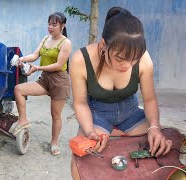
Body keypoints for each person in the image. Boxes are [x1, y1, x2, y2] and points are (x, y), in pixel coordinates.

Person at [69, 7, 172, 179]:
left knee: (165, 145)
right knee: (80, 165)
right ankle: (106, 134)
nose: (127, 65)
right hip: (97, 116)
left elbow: (150, 99)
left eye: (134, 59)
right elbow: (80, 103)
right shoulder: (81, 59)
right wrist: (89, 132)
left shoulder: (144, 59)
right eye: (120, 58)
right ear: (103, 45)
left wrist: (154, 127)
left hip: (131, 113)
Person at [12, 12, 72, 156]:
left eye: (54, 24)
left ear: (63, 26)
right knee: (19, 89)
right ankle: (23, 120)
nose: (50, 27)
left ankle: (54, 142)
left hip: (59, 81)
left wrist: (37, 68)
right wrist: (22, 59)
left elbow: (59, 65)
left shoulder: (66, 43)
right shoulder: (46, 39)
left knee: (55, 115)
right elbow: (35, 55)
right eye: (49, 24)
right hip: (45, 79)